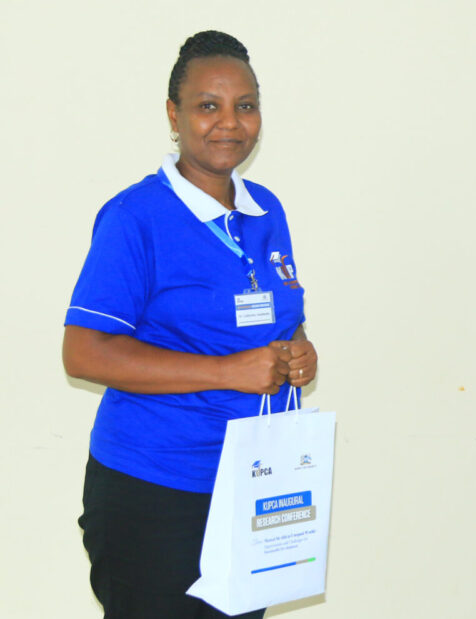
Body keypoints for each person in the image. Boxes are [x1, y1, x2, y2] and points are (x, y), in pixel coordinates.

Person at [62, 31, 316, 618]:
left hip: (254, 485)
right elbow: (84, 352)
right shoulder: (136, 217)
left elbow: (282, 317)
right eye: (208, 105)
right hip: (156, 490)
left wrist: (298, 351)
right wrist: (228, 372)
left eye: (245, 106)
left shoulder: (265, 210)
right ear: (174, 116)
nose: (229, 122)